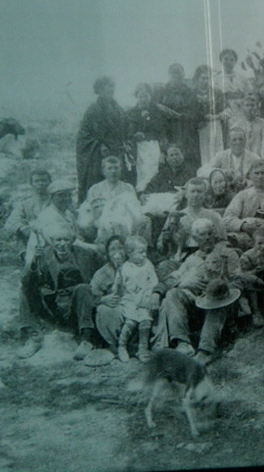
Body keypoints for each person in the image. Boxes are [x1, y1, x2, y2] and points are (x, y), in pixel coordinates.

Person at [154, 219, 259, 364]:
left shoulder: (228, 254)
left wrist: (219, 285)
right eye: (203, 235)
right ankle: (182, 343)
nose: (208, 238)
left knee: (217, 298)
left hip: (223, 304)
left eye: (210, 233)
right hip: (198, 305)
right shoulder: (192, 259)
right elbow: (173, 278)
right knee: (173, 294)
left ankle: (206, 350)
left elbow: (240, 280)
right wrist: (159, 291)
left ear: (215, 234)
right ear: (195, 238)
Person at [17, 225, 102, 360]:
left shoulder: (84, 255)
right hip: (53, 305)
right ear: (52, 241)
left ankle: (86, 339)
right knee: (25, 290)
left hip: (76, 308)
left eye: (66, 240)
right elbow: (25, 280)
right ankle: (34, 337)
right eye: (58, 240)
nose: (62, 244)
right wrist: (33, 261)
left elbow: (100, 277)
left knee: (83, 288)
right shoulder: (44, 254)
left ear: (73, 240)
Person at [76, 76, 133, 204]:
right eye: (108, 86)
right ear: (100, 89)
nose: (111, 89)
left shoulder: (118, 108)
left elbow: (127, 128)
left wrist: (128, 142)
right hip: (99, 155)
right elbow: (84, 134)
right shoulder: (93, 110)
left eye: (112, 86)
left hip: (118, 152)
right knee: (99, 185)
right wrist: (98, 145)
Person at [223, 160, 264, 250]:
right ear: (250, 175)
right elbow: (227, 218)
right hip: (247, 235)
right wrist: (243, 226)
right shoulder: (243, 195)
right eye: (256, 173)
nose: (260, 177)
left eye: (263, 173)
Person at [111, 236, 158, 362]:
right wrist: (115, 291)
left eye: (145, 252)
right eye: (140, 252)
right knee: (130, 323)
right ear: (130, 253)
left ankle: (142, 349)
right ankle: (122, 346)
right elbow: (118, 284)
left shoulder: (148, 265)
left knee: (145, 322)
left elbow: (153, 281)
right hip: (130, 300)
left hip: (143, 299)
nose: (144, 255)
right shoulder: (124, 267)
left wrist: (149, 293)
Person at [156, 63, 202, 172]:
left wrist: (180, 116)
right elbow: (155, 108)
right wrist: (161, 108)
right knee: (169, 156)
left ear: (183, 75)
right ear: (169, 75)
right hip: (168, 130)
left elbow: (197, 112)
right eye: (174, 74)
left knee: (188, 158)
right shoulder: (162, 92)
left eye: (179, 74)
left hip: (187, 130)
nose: (177, 77)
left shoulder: (190, 92)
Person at [127, 83, 166, 191]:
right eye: (140, 96)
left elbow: (162, 132)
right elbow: (128, 133)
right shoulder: (131, 113)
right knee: (141, 173)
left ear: (150, 97)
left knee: (155, 171)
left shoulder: (157, 112)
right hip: (138, 148)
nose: (143, 99)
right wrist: (134, 136)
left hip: (154, 146)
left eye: (146, 96)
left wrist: (163, 151)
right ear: (136, 97)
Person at [198, 126, 260, 191]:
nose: (238, 142)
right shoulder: (222, 155)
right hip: (226, 192)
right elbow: (201, 171)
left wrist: (248, 182)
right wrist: (222, 172)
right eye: (234, 140)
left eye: (240, 139)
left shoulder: (254, 158)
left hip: (247, 191)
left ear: (245, 141)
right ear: (228, 142)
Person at [4, 168, 51, 251]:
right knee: (21, 236)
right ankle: (28, 259)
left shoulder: (56, 201)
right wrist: (23, 228)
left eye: (44, 180)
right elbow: (11, 222)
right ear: (31, 184)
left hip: (52, 236)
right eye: (37, 181)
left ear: (49, 182)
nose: (40, 183)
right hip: (29, 238)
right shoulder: (24, 203)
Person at [223, 92, 264, 160]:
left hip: (259, 160)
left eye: (252, 105)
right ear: (242, 107)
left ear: (257, 107)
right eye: (247, 105)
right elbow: (232, 145)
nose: (250, 108)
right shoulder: (236, 124)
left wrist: (263, 159)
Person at [193, 65, 225, 165]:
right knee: (203, 153)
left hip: (216, 125)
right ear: (197, 79)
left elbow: (227, 110)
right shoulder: (192, 93)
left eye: (208, 78)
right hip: (200, 127)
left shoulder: (217, 92)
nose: (205, 81)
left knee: (217, 150)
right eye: (203, 78)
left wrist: (217, 116)